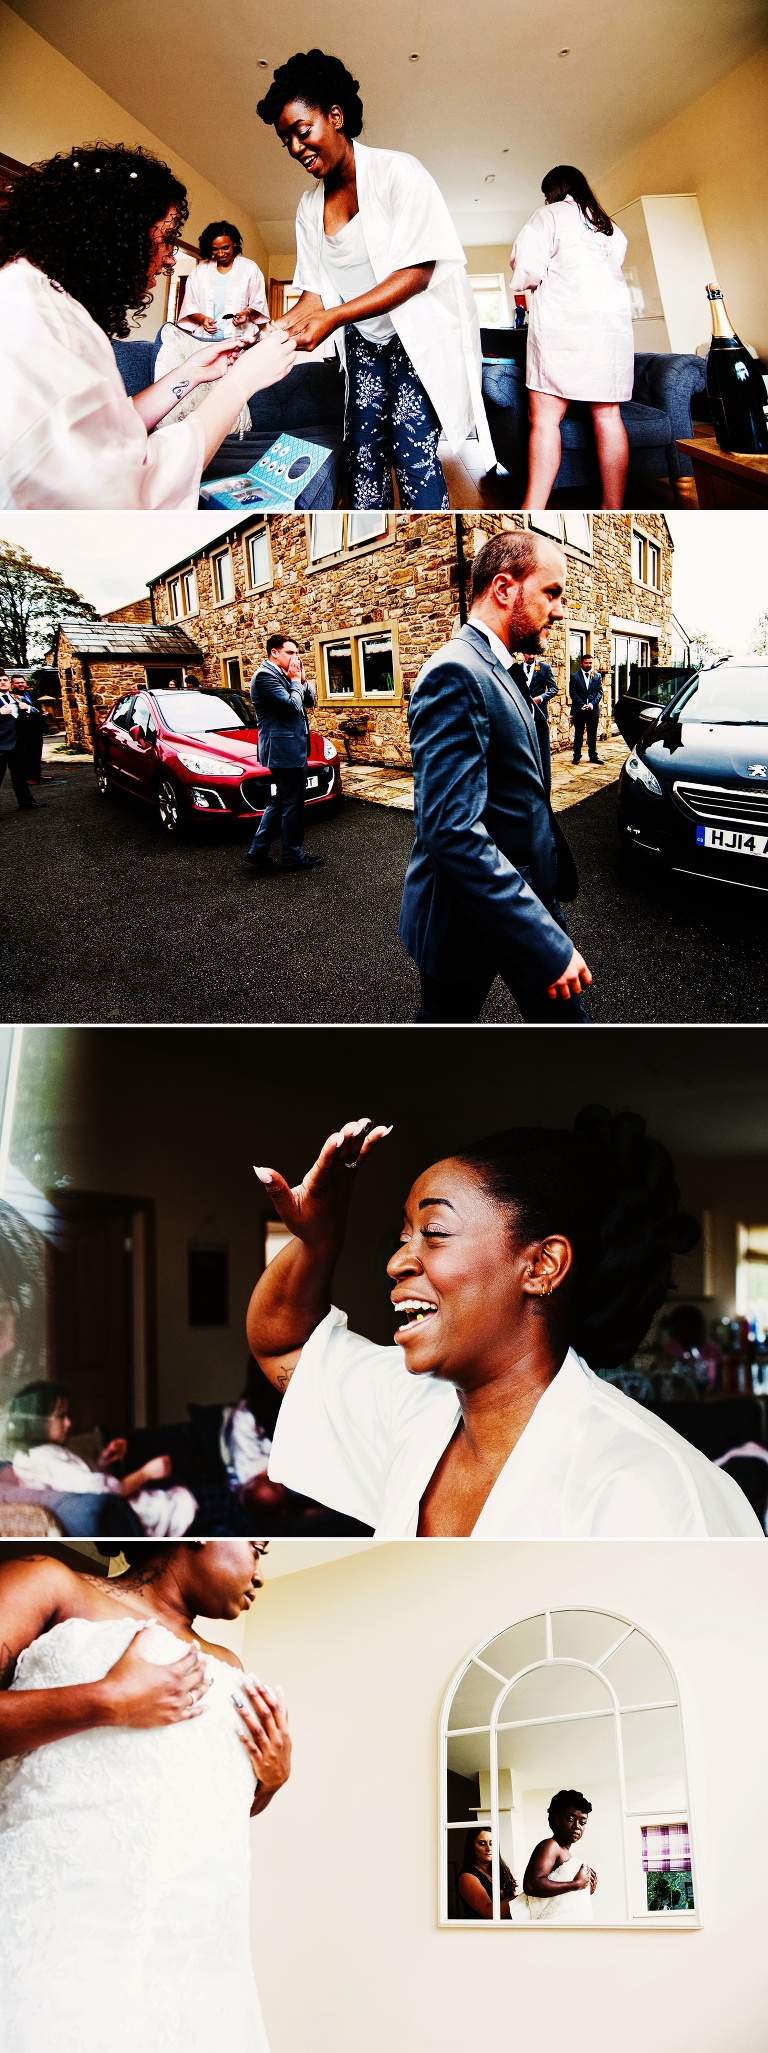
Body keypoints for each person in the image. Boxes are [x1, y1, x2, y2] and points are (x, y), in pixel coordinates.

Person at [245, 1110, 763, 1539]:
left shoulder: (646, 1483)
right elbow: (283, 1345)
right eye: (405, 1237)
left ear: (541, 1266)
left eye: (435, 1231)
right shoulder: (409, 1407)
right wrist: (317, 1243)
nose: (397, 1262)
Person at [0, 1541, 290, 2053]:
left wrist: (270, 1780)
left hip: (195, 1958)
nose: (259, 1575)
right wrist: (103, 1700)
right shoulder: (49, 1583)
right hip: (59, 1932)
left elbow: (205, 1805)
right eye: (257, 1549)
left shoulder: (230, 1663)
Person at [257, 48, 494, 509]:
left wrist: (332, 318)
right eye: (285, 140)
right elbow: (315, 294)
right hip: (366, 337)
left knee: (412, 450)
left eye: (302, 132)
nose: (294, 148)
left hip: (417, 334)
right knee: (362, 451)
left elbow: (417, 274)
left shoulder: (398, 173)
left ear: (336, 115)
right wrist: (276, 331)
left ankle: (431, 544)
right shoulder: (309, 208)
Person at [0, 143, 296, 510]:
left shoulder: (50, 302)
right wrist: (240, 383)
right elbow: (129, 492)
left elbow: (108, 431)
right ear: (116, 232)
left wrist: (189, 372)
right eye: (167, 239)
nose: (171, 259)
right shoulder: (31, 320)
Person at [398, 529, 592, 1023]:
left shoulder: (501, 667)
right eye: (552, 592)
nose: (561, 609)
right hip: (463, 918)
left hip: (527, 895)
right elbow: (450, 829)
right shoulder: (456, 672)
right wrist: (544, 939)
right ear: (504, 589)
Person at [510, 166, 634, 509]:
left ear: (553, 190)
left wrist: (525, 273)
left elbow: (526, 271)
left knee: (546, 420)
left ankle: (532, 509)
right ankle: (613, 508)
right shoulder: (610, 227)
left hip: (562, 326)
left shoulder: (548, 215)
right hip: (609, 331)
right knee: (608, 416)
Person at [4, 1381, 196, 1537]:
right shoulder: (46, 1459)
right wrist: (147, 1473)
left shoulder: (29, 1456)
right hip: (144, 1514)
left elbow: (79, 1483)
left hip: (140, 1507)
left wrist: (102, 1463)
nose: (69, 1423)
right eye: (60, 1416)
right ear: (37, 1421)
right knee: (204, 1497)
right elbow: (104, 1492)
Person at [246, 634, 323, 873]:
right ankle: (293, 856)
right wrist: (294, 682)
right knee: (293, 803)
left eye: (296, 653)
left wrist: (301, 680)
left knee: (282, 800)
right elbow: (291, 706)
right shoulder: (265, 677)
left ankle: (257, 851)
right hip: (283, 750)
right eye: (290, 653)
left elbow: (308, 701)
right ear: (274, 653)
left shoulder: (286, 675)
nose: (295, 658)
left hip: (290, 748)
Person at [179, 221, 269, 338]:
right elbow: (189, 306)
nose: (220, 254)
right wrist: (203, 319)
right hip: (205, 338)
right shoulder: (199, 271)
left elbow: (258, 301)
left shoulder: (249, 268)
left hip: (240, 336)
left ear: (234, 243)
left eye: (225, 248)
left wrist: (246, 313)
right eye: (215, 249)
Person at [523, 1791, 597, 1921]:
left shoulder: (565, 1852)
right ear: (556, 1819)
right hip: (554, 1931)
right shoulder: (551, 1845)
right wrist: (576, 1884)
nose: (577, 1826)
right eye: (571, 1819)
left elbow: (561, 1897)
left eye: (582, 1822)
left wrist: (586, 1889)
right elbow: (532, 1885)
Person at [456, 1826, 517, 1919]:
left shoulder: (506, 1872)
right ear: (472, 1846)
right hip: (483, 1931)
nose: (488, 1848)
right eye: (482, 1844)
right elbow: (489, 1912)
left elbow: (520, 1905)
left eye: (491, 1843)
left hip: (510, 1929)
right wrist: (526, 1897)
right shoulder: (467, 1877)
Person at [0, 680, 36, 810]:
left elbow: (37, 712)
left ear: (9, 683)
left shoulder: (18, 698)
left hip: (18, 744)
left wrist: (27, 708)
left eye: (5, 680)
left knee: (20, 776)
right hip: (1, 745)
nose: (2, 682)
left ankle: (27, 802)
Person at [570, 653, 604, 764]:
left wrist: (592, 704)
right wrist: (582, 705)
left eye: (590, 663)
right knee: (578, 734)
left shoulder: (597, 676)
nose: (588, 665)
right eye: (586, 663)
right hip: (579, 710)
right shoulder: (574, 676)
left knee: (592, 734)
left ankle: (593, 756)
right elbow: (573, 693)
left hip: (593, 710)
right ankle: (577, 756)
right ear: (581, 664)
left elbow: (599, 693)